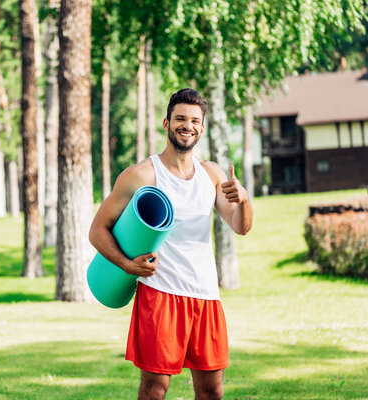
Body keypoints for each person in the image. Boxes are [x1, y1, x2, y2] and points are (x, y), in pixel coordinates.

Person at [88, 88, 253, 400]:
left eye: (194, 120)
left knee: (212, 391)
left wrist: (243, 200)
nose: (186, 125)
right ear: (166, 123)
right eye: (180, 118)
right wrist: (127, 265)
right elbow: (97, 230)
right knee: (154, 390)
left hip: (206, 295)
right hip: (161, 294)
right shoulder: (141, 174)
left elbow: (240, 227)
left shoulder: (212, 174)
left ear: (201, 128)